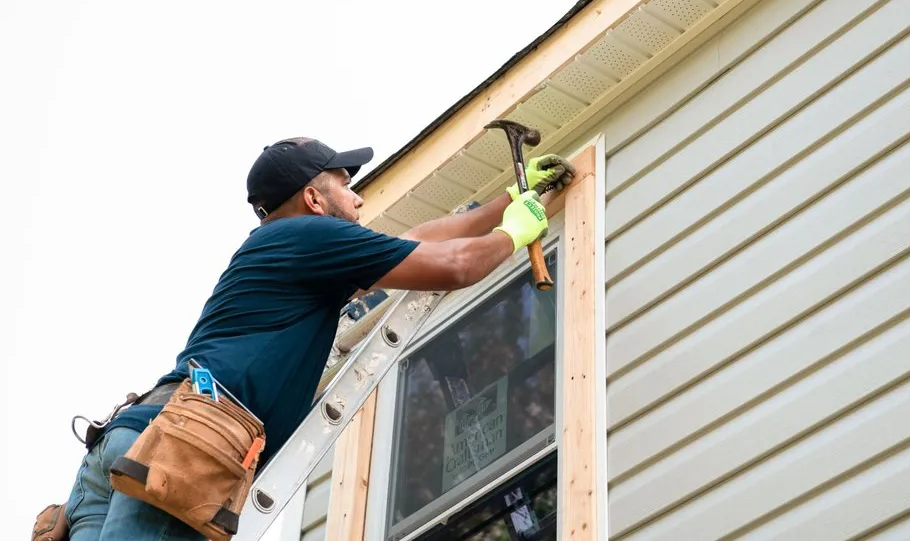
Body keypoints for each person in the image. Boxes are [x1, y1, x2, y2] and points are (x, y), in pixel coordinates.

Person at [42, 136, 573, 541]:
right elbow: (455, 266)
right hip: (186, 448)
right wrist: (515, 233)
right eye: (346, 183)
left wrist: (508, 202)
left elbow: (411, 242)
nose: (359, 199)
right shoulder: (309, 238)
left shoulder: (291, 247)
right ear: (315, 197)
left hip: (130, 442)